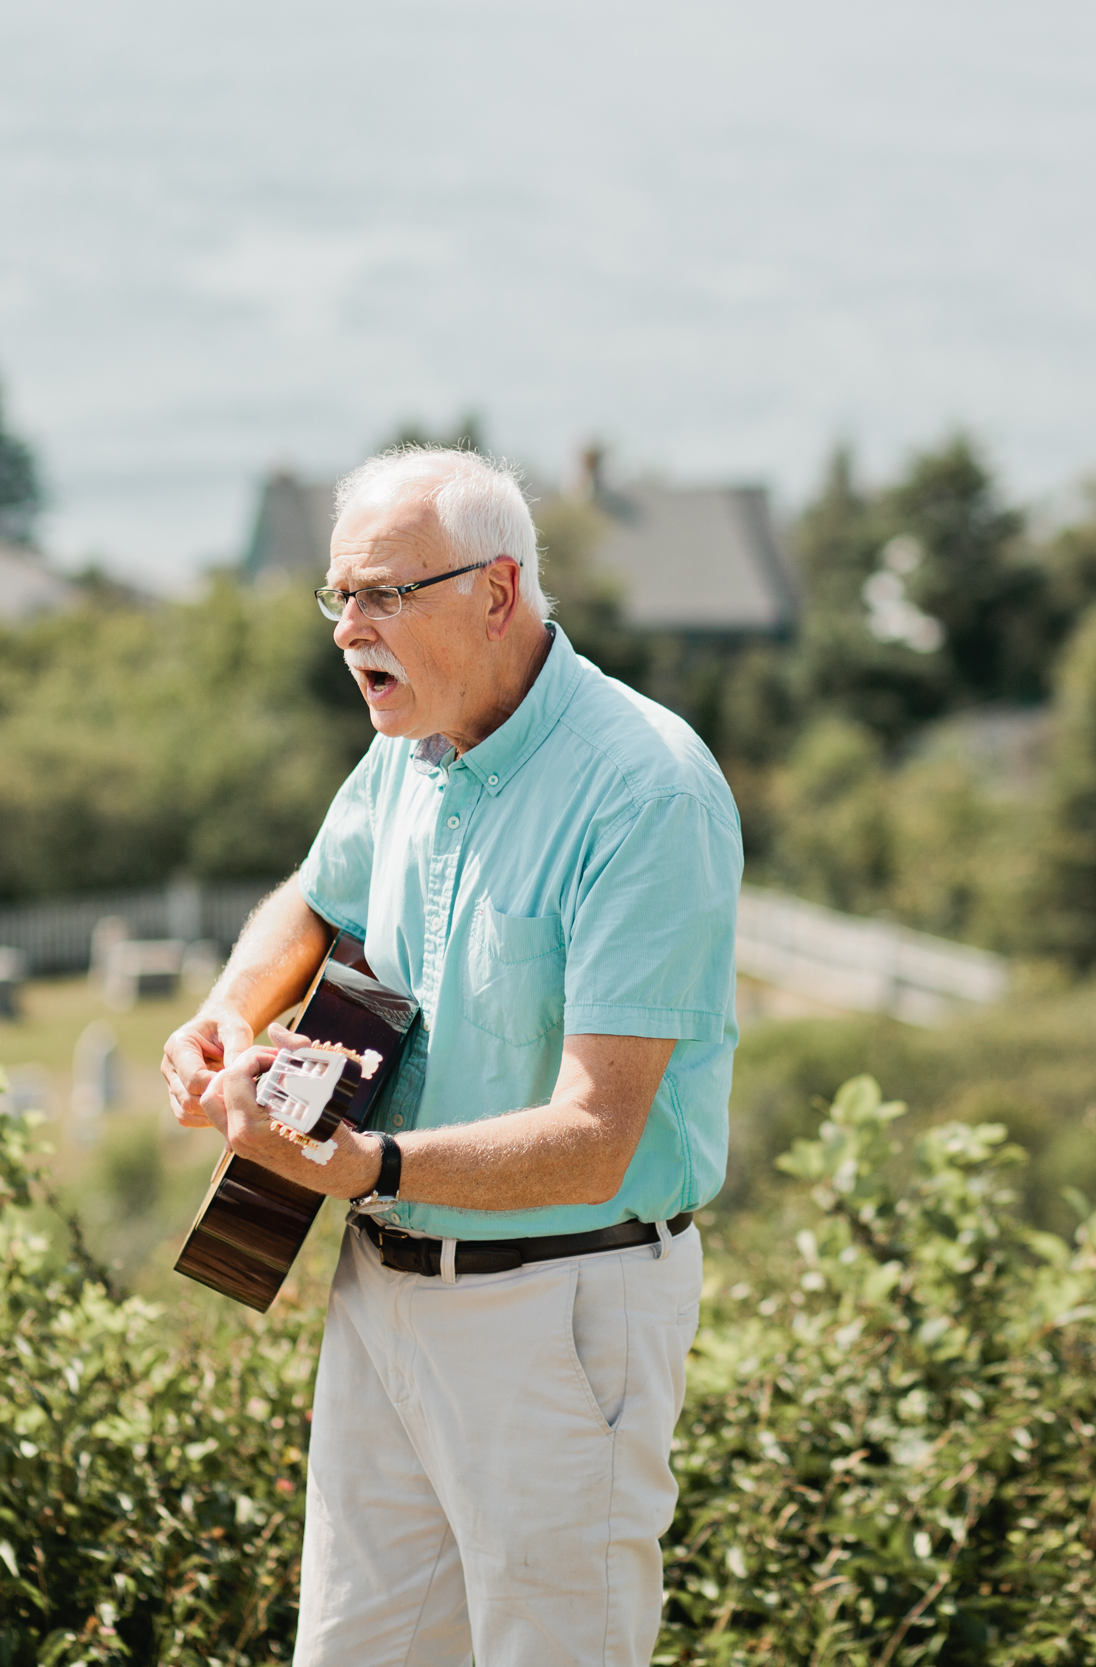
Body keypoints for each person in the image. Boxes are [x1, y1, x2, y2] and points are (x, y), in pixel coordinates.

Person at [160, 446, 741, 1667]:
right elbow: (314, 904)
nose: (346, 629)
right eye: (338, 597)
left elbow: (595, 1138)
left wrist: (362, 1161)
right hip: (383, 1292)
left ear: (496, 590)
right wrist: (229, 1008)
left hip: (559, 1303)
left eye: (382, 595)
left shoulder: (647, 791)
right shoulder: (410, 739)